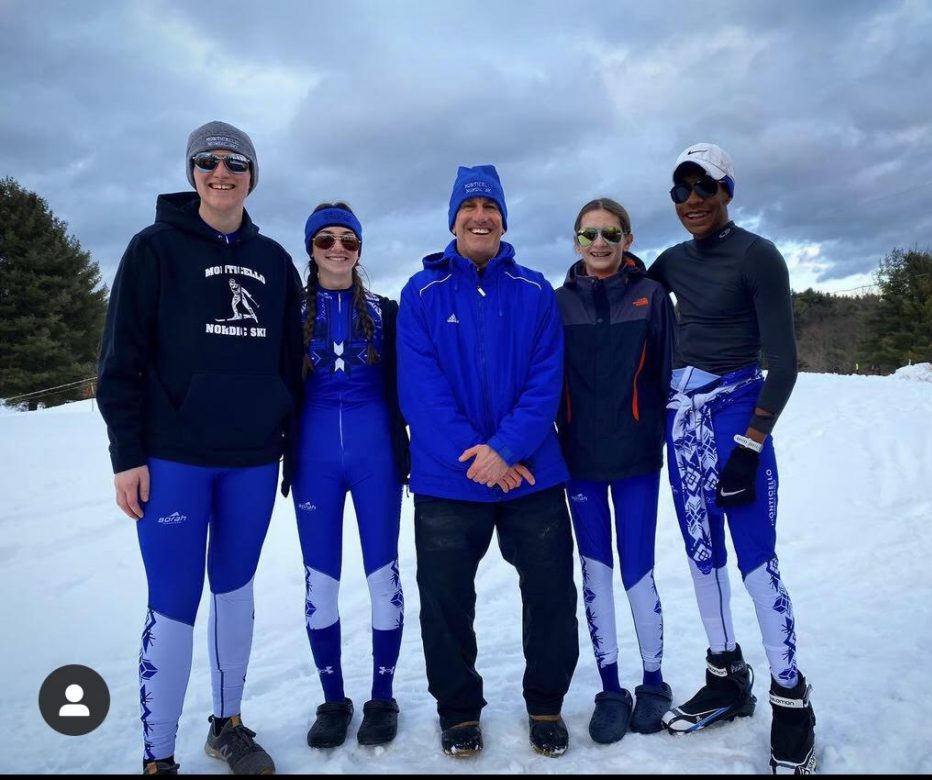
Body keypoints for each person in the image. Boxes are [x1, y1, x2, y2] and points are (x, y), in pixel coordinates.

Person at [96, 120, 303, 776]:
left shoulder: (274, 261)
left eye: (235, 162)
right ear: (192, 173)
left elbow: (291, 362)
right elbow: (119, 359)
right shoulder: (153, 249)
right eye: (208, 161)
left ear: (252, 174)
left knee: (235, 592)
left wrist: (286, 444)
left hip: (249, 460)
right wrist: (127, 452)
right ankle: (159, 755)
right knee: (173, 602)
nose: (222, 171)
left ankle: (228, 724)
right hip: (173, 458)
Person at [397, 164, 579, 758]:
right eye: (469, 207)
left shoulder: (534, 291)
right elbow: (421, 391)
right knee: (447, 600)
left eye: (491, 208)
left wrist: (507, 450)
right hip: (448, 478)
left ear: (504, 219)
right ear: (453, 219)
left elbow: (546, 379)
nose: (480, 217)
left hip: (530, 473)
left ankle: (546, 704)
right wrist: (478, 458)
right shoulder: (420, 295)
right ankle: (458, 712)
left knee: (551, 592)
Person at [647, 143, 816, 774]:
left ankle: (792, 699)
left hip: (735, 415)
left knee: (755, 561)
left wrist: (749, 445)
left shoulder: (757, 255)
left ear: (727, 191)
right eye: (680, 191)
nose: (692, 201)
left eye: (704, 188)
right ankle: (726, 675)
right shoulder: (668, 262)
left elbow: (786, 365)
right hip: (681, 421)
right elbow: (619, 293)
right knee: (700, 556)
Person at [554, 198, 675, 744]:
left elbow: (669, 375)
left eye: (610, 233)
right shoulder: (557, 304)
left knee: (638, 570)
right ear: (575, 241)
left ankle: (653, 682)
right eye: (588, 235)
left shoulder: (651, 297)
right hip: (580, 460)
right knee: (595, 571)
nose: (599, 243)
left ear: (627, 238)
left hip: (635, 458)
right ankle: (610, 687)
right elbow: (545, 382)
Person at [291, 201, 409, 749]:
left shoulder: (386, 310)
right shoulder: (289, 310)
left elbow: (417, 383)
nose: (338, 249)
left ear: (359, 250)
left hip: (375, 457)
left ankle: (381, 697)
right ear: (311, 248)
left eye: (349, 241)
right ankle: (333, 699)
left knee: (382, 578)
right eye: (326, 241)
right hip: (313, 457)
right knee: (321, 584)